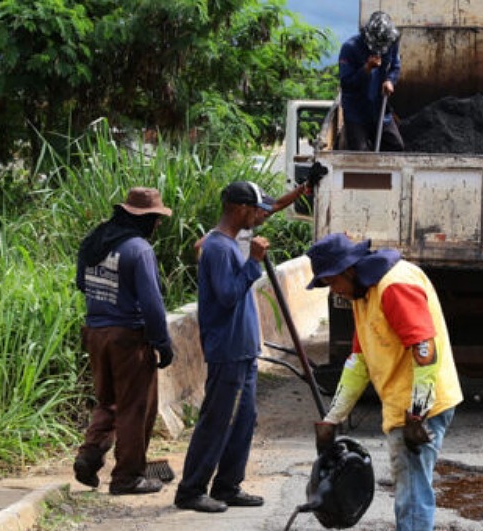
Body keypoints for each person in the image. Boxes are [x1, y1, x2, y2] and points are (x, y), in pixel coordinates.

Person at [305, 233, 464, 531]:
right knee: (406, 496)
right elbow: (358, 361)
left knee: (413, 496)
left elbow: (424, 350)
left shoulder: (394, 286)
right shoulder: (364, 294)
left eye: (331, 282)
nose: (333, 292)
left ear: (347, 270)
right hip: (403, 405)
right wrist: (333, 417)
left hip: (421, 408)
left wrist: (417, 417)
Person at [173, 179, 311, 513]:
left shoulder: (230, 241)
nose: (258, 217)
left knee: (243, 419)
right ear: (238, 209)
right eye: (253, 210)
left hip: (244, 350)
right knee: (218, 419)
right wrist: (253, 262)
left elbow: (269, 211)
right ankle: (191, 490)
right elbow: (227, 295)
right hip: (229, 349)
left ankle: (227, 485)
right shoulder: (219, 248)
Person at [73, 187, 174, 496]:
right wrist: (162, 342)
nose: (156, 225)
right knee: (134, 408)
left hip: (95, 332)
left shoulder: (96, 241)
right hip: (128, 337)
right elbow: (152, 303)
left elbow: (81, 283)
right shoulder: (138, 249)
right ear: (143, 219)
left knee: (109, 401)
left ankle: (89, 456)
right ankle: (127, 477)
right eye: (154, 219)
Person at [339, 10, 404, 152]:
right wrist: (366, 69)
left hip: (380, 109)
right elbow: (346, 84)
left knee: (396, 147)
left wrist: (390, 81)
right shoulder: (350, 48)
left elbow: (395, 66)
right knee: (361, 154)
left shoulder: (391, 42)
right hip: (357, 112)